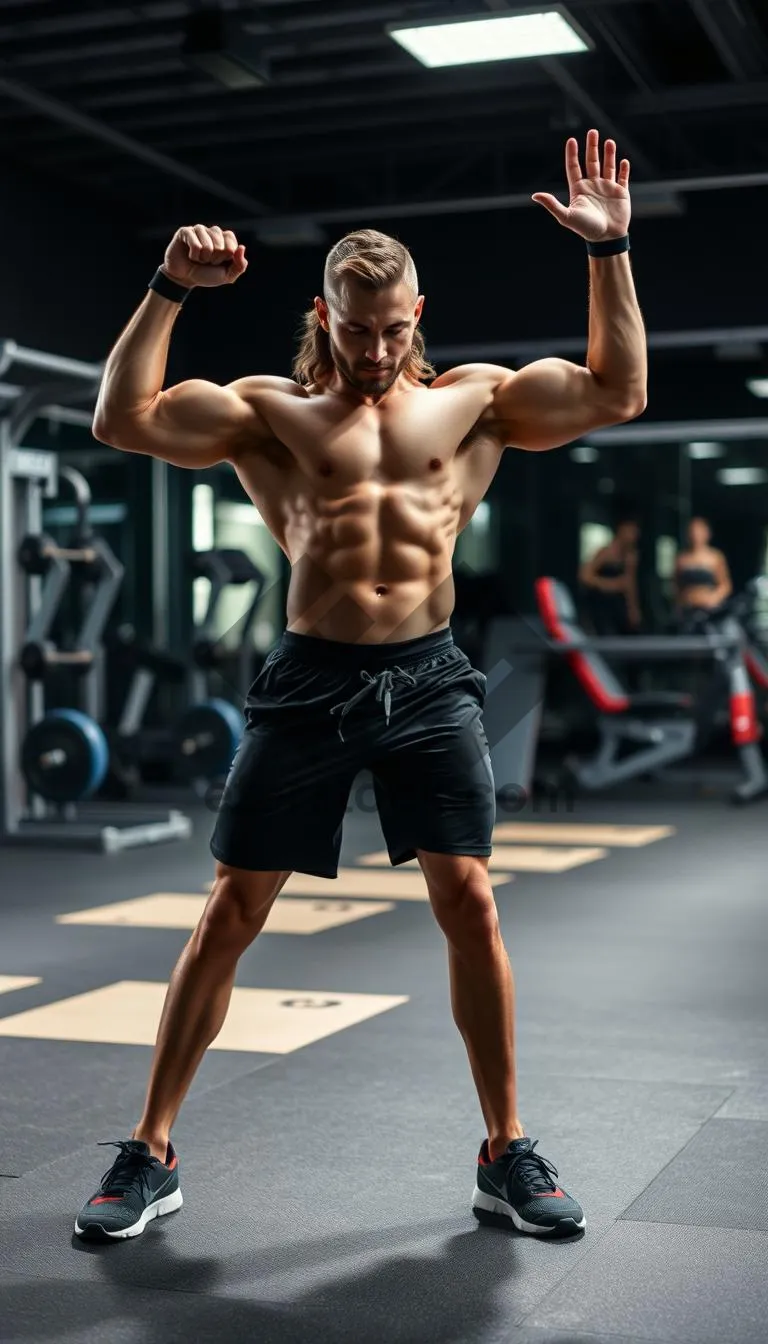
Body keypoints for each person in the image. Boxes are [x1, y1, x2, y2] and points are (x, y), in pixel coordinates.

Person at [75, 130, 646, 1244]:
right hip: (309, 678)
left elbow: (619, 393)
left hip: (429, 676)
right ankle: (150, 1151)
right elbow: (120, 420)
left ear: (418, 316)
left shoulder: (478, 403)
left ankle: (504, 1152)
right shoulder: (266, 413)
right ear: (323, 315)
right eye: (356, 326)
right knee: (232, 911)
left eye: (394, 328)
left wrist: (611, 250)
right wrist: (166, 290)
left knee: (470, 904)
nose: (377, 349)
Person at [579, 517, 642, 635]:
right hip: (601, 606)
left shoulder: (631, 556)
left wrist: (633, 610)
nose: (634, 536)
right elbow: (585, 576)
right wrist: (610, 584)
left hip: (619, 607)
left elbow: (630, 585)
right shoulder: (605, 553)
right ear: (621, 530)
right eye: (631, 531)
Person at [674, 517, 732, 628]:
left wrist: (714, 599)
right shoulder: (681, 559)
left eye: (699, 530)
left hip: (709, 611)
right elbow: (675, 585)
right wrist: (679, 605)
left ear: (707, 533)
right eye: (693, 531)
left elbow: (725, 585)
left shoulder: (715, 557)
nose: (696, 534)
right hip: (688, 609)